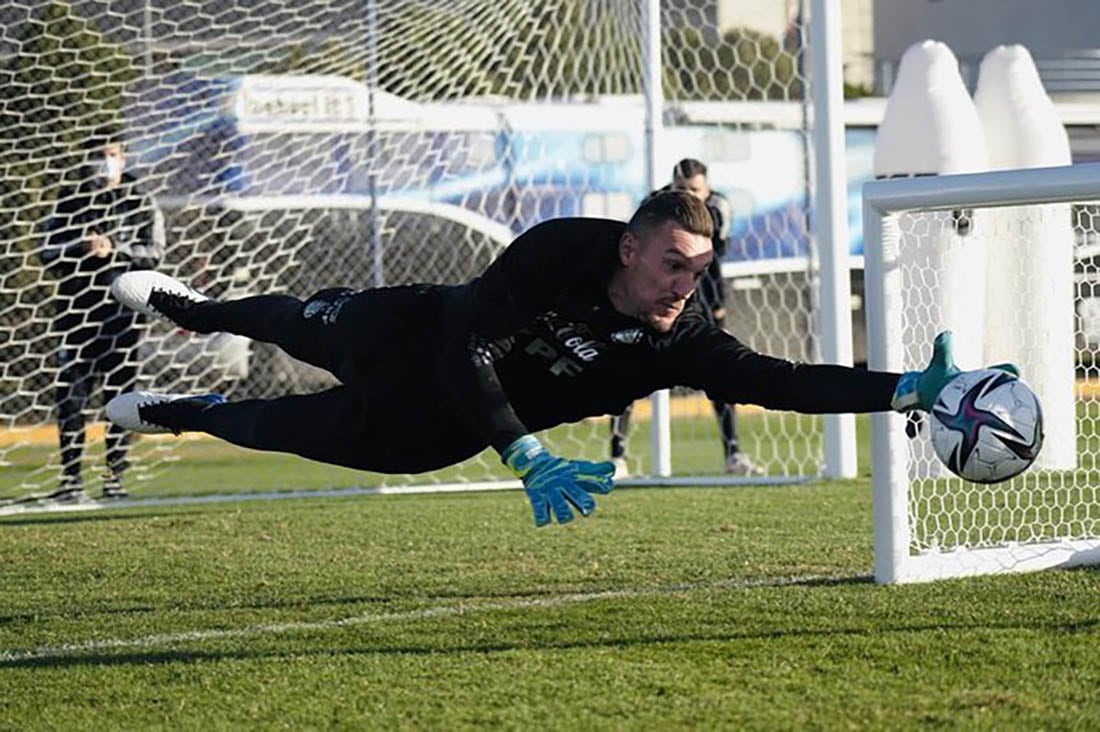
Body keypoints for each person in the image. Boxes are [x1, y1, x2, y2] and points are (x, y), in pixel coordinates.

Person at [104, 191, 1010, 527]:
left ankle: (176, 413)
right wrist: (526, 452)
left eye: (699, 273)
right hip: (418, 334)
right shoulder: (558, 249)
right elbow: (467, 349)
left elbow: (779, 380)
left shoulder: (680, 340)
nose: (683, 287)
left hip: (431, 429)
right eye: (671, 265)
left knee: (274, 425)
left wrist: (906, 390)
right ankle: (193, 307)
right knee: (295, 321)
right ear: (628, 248)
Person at [610, 158, 760, 477]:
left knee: (720, 375)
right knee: (625, 375)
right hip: (654, 302)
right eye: (681, 189)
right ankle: (616, 457)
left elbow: (713, 260)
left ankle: (733, 453)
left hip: (701, 303)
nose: (689, 197)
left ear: (707, 188)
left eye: (695, 190)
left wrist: (718, 304)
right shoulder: (654, 205)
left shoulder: (719, 207)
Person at [38, 128, 165, 501]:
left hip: (123, 315)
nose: (106, 160)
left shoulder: (140, 200)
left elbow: (155, 253)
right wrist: (79, 246)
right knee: (72, 398)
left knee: (120, 400)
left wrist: (116, 249)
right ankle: (71, 481)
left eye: (113, 153)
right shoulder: (69, 201)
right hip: (76, 312)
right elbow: (45, 251)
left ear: (123, 158)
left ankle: (112, 478)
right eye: (99, 154)